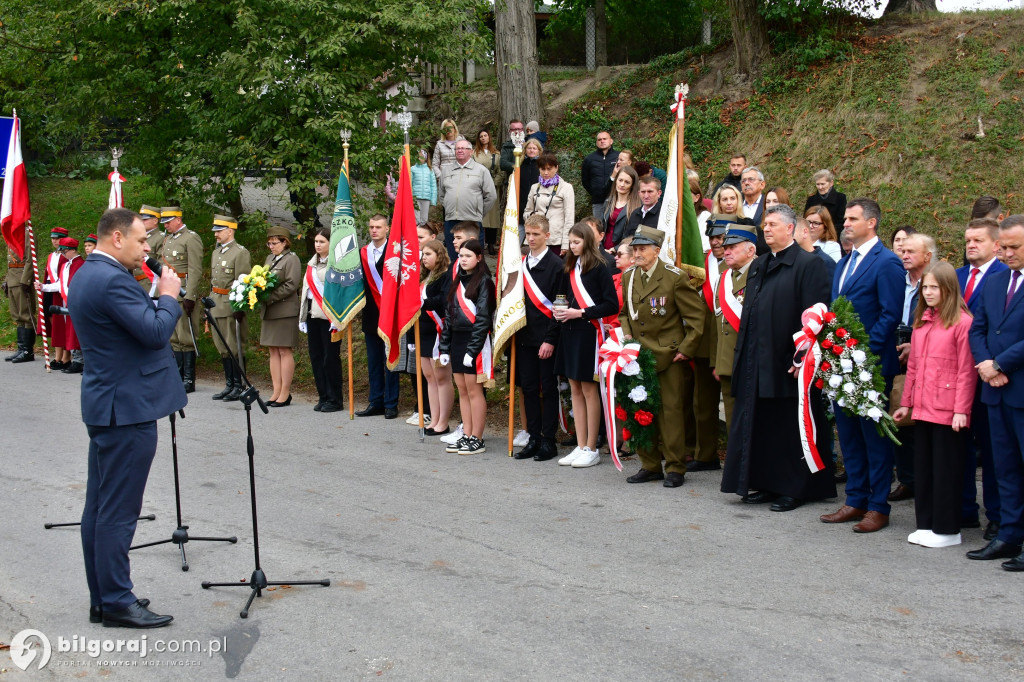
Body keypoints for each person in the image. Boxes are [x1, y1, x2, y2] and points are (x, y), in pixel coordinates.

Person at [67, 207, 185, 629]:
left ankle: (103, 597)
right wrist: (168, 295)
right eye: (140, 241)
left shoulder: (87, 273)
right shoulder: (111, 279)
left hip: (109, 403)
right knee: (117, 510)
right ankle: (117, 599)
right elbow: (153, 332)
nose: (146, 248)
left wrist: (154, 301)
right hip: (126, 409)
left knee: (99, 507)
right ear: (117, 238)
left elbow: (128, 327)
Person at [722, 205, 835, 511]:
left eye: (772, 224)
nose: (766, 228)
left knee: (790, 427)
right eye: (764, 224)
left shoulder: (808, 264)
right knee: (765, 426)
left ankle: (795, 488)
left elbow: (815, 316)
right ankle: (769, 483)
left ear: (790, 229)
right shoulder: (760, 265)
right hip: (757, 360)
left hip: (790, 361)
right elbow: (750, 315)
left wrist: (802, 357)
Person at [820, 198, 905, 533]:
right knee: (850, 436)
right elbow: (834, 309)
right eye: (845, 218)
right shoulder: (845, 263)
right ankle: (855, 499)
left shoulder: (887, 262)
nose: (846, 223)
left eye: (853, 218)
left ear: (871, 223)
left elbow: (890, 313)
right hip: (841, 364)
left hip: (869, 366)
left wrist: (862, 352)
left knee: (874, 438)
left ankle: (878, 506)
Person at [892, 262, 975, 548]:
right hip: (925, 408)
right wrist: (907, 404)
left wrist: (961, 410)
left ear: (948, 289)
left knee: (946, 472)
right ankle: (926, 524)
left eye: (934, 287)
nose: (927, 292)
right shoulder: (923, 320)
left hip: (949, 410)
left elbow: (967, 370)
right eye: (925, 287)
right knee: (924, 469)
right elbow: (913, 367)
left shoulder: (962, 323)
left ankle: (947, 529)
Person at [618, 225, 704, 487]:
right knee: (640, 409)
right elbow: (625, 313)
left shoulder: (674, 277)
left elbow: (696, 316)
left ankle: (676, 466)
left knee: (671, 413)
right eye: (635, 248)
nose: (637, 252)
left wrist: (684, 350)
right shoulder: (629, 276)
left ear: (657, 251)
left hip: (668, 356)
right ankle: (650, 464)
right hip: (639, 357)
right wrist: (628, 337)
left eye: (643, 248)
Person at [967, 215, 1024, 569]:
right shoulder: (995, 280)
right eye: (1002, 247)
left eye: (1013, 247)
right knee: (1004, 468)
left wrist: (1000, 363)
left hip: (1018, 386)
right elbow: (978, 329)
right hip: (996, 390)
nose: (1005, 253)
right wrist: (987, 364)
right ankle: (1009, 534)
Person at [554, 222, 619, 469]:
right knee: (574, 388)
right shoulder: (568, 266)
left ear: (588, 242)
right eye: (570, 242)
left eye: (577, 242)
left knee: (590, 390)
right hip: (569, 332)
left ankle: (592, 447)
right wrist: (558, 310)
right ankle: (580, 445)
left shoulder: (600, 267)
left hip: (589, 333)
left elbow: (611, 305)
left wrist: (580, 313)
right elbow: (561, 297)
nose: (573, 246)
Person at [957, 217, 1007, 540]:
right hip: (957, 376)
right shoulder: (957, 276)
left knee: (991, 451)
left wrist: (989, 362)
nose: (971, 245)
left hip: (990, 374)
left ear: (996, 245)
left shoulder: (1006, 277)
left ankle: (998, 514)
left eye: (978, 241)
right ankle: (964, 510)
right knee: (959, 446)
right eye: (967, 241)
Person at [513, 215, 564, 462]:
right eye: (528, 234)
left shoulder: (557, 266)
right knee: (529, 389)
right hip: (524, 337)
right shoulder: (521, 263)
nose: (530, 238)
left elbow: (559, 306)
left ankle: (548, 439)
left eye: (536, 234)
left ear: (547, 236)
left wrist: (550, 339)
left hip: (545, 338)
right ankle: (533, 437)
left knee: (548, 389)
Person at [891, 233, 936, 502]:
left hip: (927, 358)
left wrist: (916, 346)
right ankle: (907, 480)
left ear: (928, 256)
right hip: (897, 353)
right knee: (899, 417)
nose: (904, 255)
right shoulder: (899, 280)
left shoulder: (935, 283)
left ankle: (926, 481)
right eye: (903, 250)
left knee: (923, 425)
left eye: (911, 251)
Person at [439, 239, 495, 455]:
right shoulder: (457, 281)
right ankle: (467, 433)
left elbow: (482, 319)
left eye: (468, 256)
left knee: (474, 390)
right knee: (462, 389)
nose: (463, 260)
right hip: (457, 341)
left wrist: (472, 351)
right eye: (461, 256)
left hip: (475, 341)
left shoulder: (484, 282)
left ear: (479, 258)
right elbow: (449, 316)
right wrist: (444, 347)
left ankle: (477, 438)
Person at [715, 222, 758, 432]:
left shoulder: (761, 275)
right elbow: (717, 323)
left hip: (750, 359)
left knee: (751, 419)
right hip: (727, 360)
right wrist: (717, 361)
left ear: (751, 250)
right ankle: (735, 462)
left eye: (733, 247)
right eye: (726, 247)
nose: (727, 251)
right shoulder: (724, 278)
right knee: (733, 419)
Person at [357, 214, 400, 419]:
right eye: (372, 226)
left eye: (378, 227)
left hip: (391, 313)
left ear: (387, 229)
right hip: (371, 314)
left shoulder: (395, 253)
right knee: (374, 361)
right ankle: (376, 401)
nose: (374, 230)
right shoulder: (362, 253)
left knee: (390, 359)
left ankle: (391, 403)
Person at [298, 228, 344, 413]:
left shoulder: (337, 264)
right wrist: (302, 317)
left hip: (329, 317)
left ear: (330, 244)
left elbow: (340, 292)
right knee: (316, 357)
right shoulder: (311, 264)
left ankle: (335, 399)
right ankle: (323, 395)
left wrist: (338, 317)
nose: (318, 245)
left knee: (330, 359)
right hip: (312, 316)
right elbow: (305, 293)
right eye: (316, 241)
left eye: (322, 242)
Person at [159, 206, 204, 393]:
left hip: (183, 291)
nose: (166, 225)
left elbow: (195, 269)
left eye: (169, 221)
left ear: (179, 219)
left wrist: (190, 295)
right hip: (170, 292)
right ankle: (178, 376)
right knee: (174, 337)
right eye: (164, 222)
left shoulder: (190, 237)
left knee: (186, 336)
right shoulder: (168, 239)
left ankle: (188, 379)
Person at [207, 214, 251, 402]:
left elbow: (242, 281)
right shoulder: (216, 252)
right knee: (222, 347)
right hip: (216, 303)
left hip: (229, 303)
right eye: (215, 231)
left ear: (230, 231)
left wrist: (239, 306)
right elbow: (213, 281)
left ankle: (239, 384)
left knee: (233, 346)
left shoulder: (240, 252)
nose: (216, 235)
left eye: (219, 231)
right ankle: (229, 384)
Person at [260, 226, 301, 407]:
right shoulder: (270, 259)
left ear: (285, 242)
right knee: (273, 350)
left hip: (284, 310)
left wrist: (269, 297)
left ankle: (285, 392)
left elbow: (291, 284)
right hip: (270, 310)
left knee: (284, 350)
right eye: (269, 243)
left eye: (275, 243)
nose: (271, 246)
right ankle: (276, 390)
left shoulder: (292, 259)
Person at [416, 239, 454, 435]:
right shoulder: (424, 277)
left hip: (438, 330)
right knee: (429, 377)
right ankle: (434, 418)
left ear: (439, 256)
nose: (424, 258)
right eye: (423, 254)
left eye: (428, 254)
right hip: (423, 329)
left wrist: (423, 303)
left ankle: (443, 422)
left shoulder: (446, 276)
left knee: (441, 377)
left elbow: (443, 300)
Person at [438, 139, 497, 262]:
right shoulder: (446, 171)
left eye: (463, 148)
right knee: (453, 258)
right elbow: (442, 195)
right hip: (451, 221)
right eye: (457, 148)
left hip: (472, 221)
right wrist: (450, 207)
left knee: (473, 258)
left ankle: (475, 281)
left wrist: (478, 212)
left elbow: (491, 196)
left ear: (471, 151)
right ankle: (454, 280)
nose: (459, 150)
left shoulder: (481, 170)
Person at [524, 152, 575, 254]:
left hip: (556, 239)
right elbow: (527, 212)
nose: (546, 173)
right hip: (536, 236)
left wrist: (566, 243)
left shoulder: (566, 187)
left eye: (549, 169)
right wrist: (531, 216)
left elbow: (569, 218)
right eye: (543, 169)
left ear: (556, 168)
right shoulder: (534, 187)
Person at [37, 226, 69, 369]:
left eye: (57, 238)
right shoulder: (52, 255)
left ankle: (65, 357)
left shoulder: (65, 256)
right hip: (49, 289)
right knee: (53, 322)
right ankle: (56, 356)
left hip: (59, 290)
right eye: (53, 238)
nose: (54, 241)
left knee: (61, 323)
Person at [4, 221, 36, 363]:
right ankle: (21, 348)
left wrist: (25, 280)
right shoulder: (11, 234)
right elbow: (10, 261)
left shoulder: (27, 233)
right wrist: (7, 279)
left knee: (26, 315)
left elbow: (30, 259)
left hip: (22, 278)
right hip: (12, 278)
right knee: (17, 315)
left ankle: (28, 351)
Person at [57, 237, 86, 374]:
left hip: (77, 302)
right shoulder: (68, 264)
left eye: (64, 251)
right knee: (71, 331)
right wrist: (43, 287)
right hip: (69, 301)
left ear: (72, 250)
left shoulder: (79, 264)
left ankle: (79, 361)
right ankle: (76, 359)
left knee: (77, 332)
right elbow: (61, 284)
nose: (62, 254)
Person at [473, 129, 504, 254]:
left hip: (492, 186)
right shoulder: (474, 154)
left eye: (485, 135)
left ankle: (491, 243)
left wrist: (494, 182)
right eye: (481, 136)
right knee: (479, 215)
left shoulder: (496, 153)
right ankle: (479, 242)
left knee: (492, 216)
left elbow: (501, 170)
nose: (483, 138)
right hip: (478, 187)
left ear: (489, 137)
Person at [580, 131, 620, 218]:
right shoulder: (589, 159)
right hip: (598, 202)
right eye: (599, 139)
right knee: (599, 227)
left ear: (611, 141)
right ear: (596, 143)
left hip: (616, 200)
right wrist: (595, 192)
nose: (602, 141)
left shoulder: (618, 157)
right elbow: (585, 180)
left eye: (605, 139)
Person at [601, 165, 641, 250]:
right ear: (616, 181)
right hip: (603, 249)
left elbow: (633, 235)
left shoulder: (636, 207)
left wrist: (616, 248)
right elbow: (601, 227)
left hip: (623, 251)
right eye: (620, 180)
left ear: (632, 185)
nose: (622, 184)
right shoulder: (608, 202)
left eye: (627, 182)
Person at [617, 176, 662, 245]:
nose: (646, 196)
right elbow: (625, 238)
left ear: (658, 193)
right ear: (639, 193)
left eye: (650, 191)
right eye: (643, 192)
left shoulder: (663, 214)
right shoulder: (635, 213)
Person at [794, 216, 837, 283]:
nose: (787, 236)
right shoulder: (790, 258)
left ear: (805, 232)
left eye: (792, 232)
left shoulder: (825, 262)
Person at [134, 205, 163, 289]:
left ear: (155, 220)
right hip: (136, 282)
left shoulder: (161, 238)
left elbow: (161, 264)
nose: (142, 222)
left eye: (145, 220)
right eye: (141, 220)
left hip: (150, 283)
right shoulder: (138, 237)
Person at [517, 138, 543, 221]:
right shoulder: (520, 165)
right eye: (529, 148)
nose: (531, 150)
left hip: (538, 202)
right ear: (525, 150)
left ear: (539, 151)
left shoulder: (542, 166)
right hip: (522, 202)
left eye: (534, 148)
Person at [431, 118, 464, 182]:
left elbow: (468, 160)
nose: (448, 130)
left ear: (454, 129)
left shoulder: (462, 142)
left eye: (450, 127)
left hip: (460, 178)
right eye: (446, 128)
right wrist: (441, 177)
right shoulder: (439, 144)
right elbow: (435, 165)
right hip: (445, 179)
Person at [410, 149, 437, 225]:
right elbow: (410, 184)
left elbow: (433, 186)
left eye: (421, 157)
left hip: (426, 198)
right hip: (415, 198)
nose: (419, 158)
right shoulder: (413, 169)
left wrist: (433, 201)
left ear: (425, 158)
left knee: (424, 219)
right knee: (416, 218)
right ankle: (416, 234)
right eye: (418, 157)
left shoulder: (430, 170)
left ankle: (422, 234)